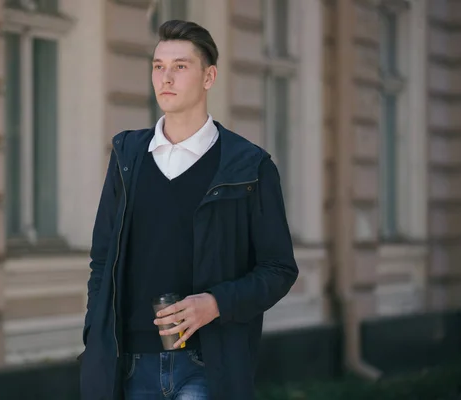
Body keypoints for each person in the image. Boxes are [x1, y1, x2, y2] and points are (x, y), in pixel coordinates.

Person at [80, 19, 298, 400]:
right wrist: (94, 335)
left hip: (207, 364)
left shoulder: (249, 166)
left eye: (180, 66)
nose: (166, 77)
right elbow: (102, 262)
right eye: (158, 66)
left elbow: (278, 269)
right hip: (129, 365)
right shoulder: (127, 158)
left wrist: (215, 304)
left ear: (209, 76)